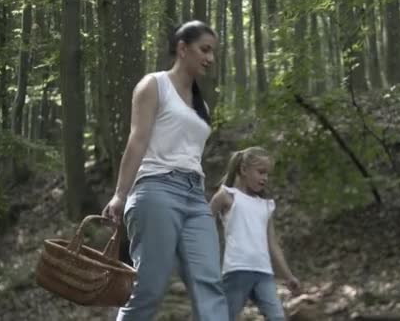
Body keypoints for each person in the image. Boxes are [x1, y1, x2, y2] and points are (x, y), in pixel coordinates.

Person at [102, 20, 229, 321]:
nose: (210, 58)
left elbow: (191, 155)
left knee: (209, 284)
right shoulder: (154, 85)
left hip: (195, 198)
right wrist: (120, 194)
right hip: (156, 189)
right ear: (182, 49)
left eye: (213, 52)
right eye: (205, 49)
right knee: (149, 288)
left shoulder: (203, 107)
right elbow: (138, 140)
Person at [210, 146, 301, 321]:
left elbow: (272, 245)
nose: (265, 178)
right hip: (237, 270)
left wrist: (288, 276)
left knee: (277, 317)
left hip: (264, 272)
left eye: (267, 174)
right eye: (261, 172)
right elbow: (202, 224)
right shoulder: (227, 195)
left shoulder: (266, 205)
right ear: (244, 170)